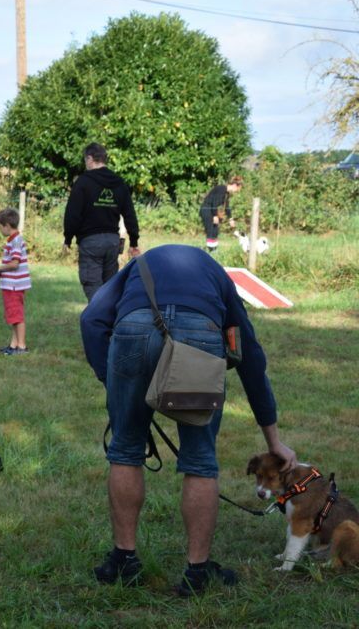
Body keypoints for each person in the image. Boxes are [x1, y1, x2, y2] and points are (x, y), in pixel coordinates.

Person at [80, 244, 297, 595]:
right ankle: (197, 572)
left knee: (124, 449)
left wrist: (112, 382)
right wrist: (273, 441)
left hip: (133, 329)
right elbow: (250, 357)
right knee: (199, 458)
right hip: (200, 332)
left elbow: (91, 319)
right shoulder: (217, 275)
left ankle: (123, 560)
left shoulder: (139, 265)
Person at [63, 143, 141, 301]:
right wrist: (134, 241)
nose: (85, 164)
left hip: (91, 242)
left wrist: (68, 238)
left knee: (92, 286)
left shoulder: (83, 182)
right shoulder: (119, 182)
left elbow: (73, 214)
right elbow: (130, 214)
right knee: (110, 286)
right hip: (113, 242)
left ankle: (99, 322)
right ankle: (110, 321)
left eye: (85, 160)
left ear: (90, 158)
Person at [0, 207, 31, 355]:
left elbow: (15, 263)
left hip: (14, 286)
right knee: (13, 315)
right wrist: (2, 274)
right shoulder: (13, 240)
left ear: (7, 225)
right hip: (11, 285)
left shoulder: (16, 241)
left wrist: (0, 268)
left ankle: (21, 346)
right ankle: (13, 345)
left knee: (17, 315)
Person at [200, 175, 243, 252]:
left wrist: (230, 218)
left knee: (215, 231)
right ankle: (211, 251)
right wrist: (215, 216)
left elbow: (227, 206)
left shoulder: (226, 193)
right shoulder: (221, 189)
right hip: (206, 209)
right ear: (235, 185)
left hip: (212, 211)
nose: (236, 192)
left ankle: (214, 249)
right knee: (210, 230)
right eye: (237, 190)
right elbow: (214, 202)